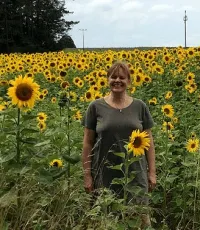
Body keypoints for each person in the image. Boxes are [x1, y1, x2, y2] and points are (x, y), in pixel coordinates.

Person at [81, 61, 156, 228]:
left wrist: (152, 172)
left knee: (139, 217)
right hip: (104, 172)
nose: (117, 80)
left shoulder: (139, 106)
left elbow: (149, 141)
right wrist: (87, 175)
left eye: (122, 77)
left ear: (129, 81)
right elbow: (87, 143)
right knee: (105, 218)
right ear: (107, 79)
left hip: (135, 172)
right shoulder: (95, 107)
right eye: (113, 76)